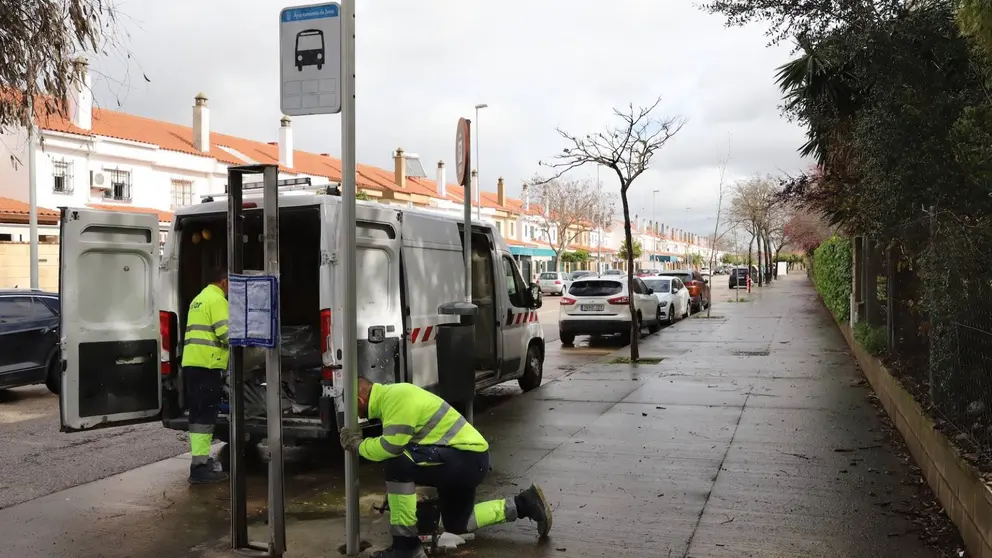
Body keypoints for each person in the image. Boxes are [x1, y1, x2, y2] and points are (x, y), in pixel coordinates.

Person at [339, 378, 552, 558]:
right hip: (469, 461)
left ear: (360, 400)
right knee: (459, 524)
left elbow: (390, 447)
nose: (357, 416)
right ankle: (525, 503)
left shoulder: (395, 399)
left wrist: (358, 445)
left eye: (355, 410)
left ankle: (405, 547)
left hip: (465, 459)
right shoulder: (394, 395)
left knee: (398, 462)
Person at [182, 266, 231, 485]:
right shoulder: (217, 300)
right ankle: (199, 468)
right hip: (207, 365)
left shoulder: (199, 299)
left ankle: (200, 461)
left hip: (194, 363)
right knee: (204, 416)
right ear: (224, 282)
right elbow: (226, 333)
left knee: (198, 413)